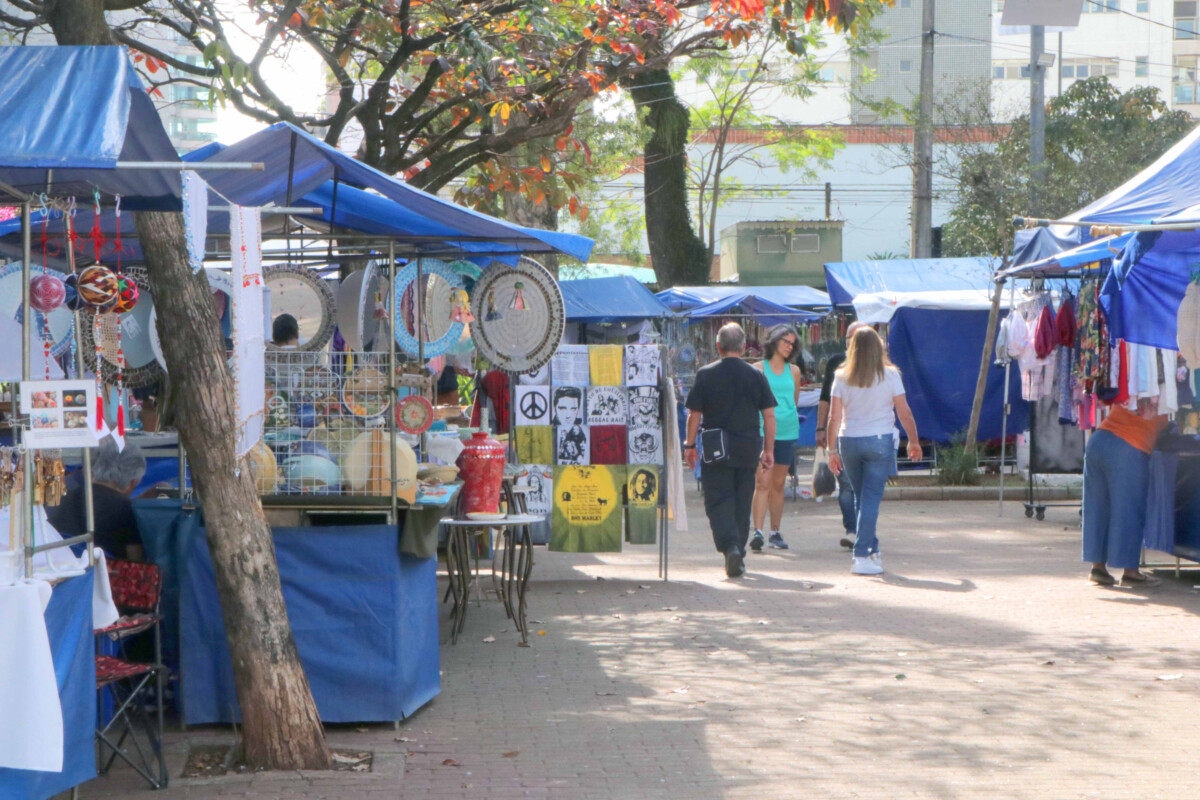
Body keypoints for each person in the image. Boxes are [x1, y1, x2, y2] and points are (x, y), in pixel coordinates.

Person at [683, 322, 777, 578]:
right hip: (748, 447)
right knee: (742, 499)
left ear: (718, 346)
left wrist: (690, 445)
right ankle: (737, 550)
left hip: (716, 448)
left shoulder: (706, 374)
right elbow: (769, 415)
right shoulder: (757, 375)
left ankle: (730, 546)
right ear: (744, 347)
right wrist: (768, 450)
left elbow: (694, 414)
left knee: (717, 499)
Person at [827, 326, 921, 576]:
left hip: (849, 441)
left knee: (861, 498)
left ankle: (872, 548)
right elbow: (905, 412)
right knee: (869, 499)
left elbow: (833, 417)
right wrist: (913, 441)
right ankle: (860, 556)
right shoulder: (891, 375)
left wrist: (830, 449)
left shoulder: (841, 376)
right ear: (879, 347)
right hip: (879, 440)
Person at [1082, 400, 1168, 587]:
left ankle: (1098, 568)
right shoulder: (1165, 392)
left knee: (1098, 508)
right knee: (1129, 509)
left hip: (1098, 442)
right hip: (1128, 447)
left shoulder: (1130, 384)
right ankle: (1130, 571)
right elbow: (1165, 424)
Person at [749, 325, 803, 552]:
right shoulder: (757, 369)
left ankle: (775, 531)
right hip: (763, 432)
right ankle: (758, 532)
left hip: (788, 432)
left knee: (779, 484)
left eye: (792, 343)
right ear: (773, 341)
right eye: (785, 341)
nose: (789, 346)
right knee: (762, 482)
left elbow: (794, 400)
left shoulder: (795, 371)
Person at [47, 439, 147, 561]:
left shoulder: (62, 499)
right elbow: (136, 559)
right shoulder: (127, 509)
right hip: (106, 575)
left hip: (63, 569)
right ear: (131, 483)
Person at [817, 321, 868, 550]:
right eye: (849, 336)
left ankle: (865, 529)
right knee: (847, 485)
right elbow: (825, 398)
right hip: (841, 433)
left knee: (867, 486)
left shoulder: (878, 366)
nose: (852, 340)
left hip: (870, 434)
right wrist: (821, 429)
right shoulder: (836, 364)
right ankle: (853, 529)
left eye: (858, 336)